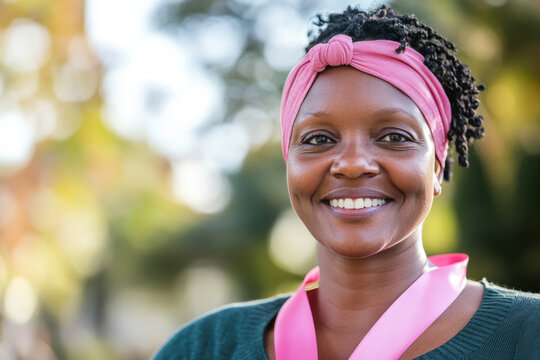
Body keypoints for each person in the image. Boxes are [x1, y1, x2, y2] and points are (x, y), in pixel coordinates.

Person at [153, 5, 540, 360]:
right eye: (318, 139)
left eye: (394, 137)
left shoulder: (529, 334)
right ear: (291, 165)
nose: (352, 164)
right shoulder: (204, 347)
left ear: (437, 167)